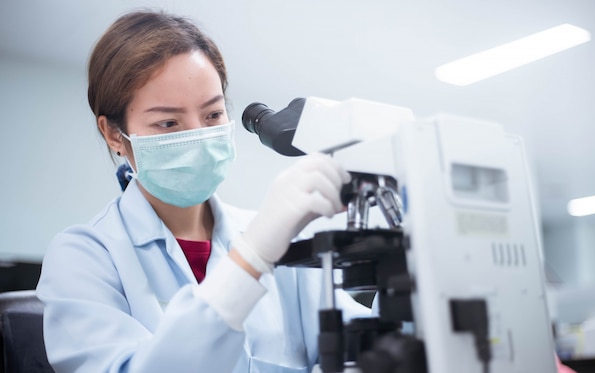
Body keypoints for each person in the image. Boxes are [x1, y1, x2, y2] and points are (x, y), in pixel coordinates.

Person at [36, 10, 371, 373]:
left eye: (212, 115)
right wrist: (251, 259)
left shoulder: (282, 241)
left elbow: (364, 351)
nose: (198, 135)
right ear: (114, 134)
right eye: (168, 122)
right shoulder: (84, 258)